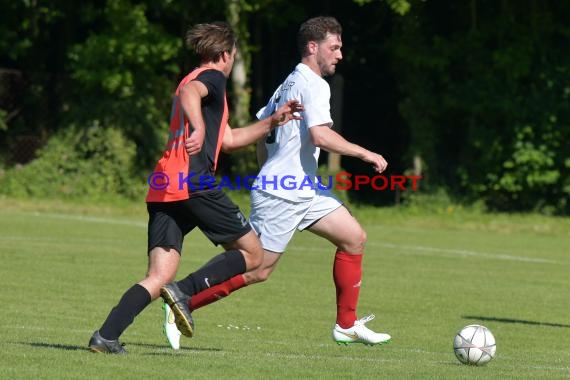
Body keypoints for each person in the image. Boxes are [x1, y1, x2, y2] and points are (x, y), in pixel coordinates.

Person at [163, 16, 391, 349]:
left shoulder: (289, 82)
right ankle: (183, 301)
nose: (340, 54)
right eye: (335, 47)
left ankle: (346, 325)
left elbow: (262, 133)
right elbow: (319, 134)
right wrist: (365, 153)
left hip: (303, 188)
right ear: (313, 47)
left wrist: (267, 172)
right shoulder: (313, 84)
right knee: (257, 269)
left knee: (354, 238)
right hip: (283, 195)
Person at [88, 21, 303, 354]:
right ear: (225, 54)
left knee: (157, 276)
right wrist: (199, 127)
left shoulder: (190, 79)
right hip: (193, 181)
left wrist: (272, 122)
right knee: (254, 253)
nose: (232, 62)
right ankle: (185, 291)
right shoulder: (210, 79)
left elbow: (228, 140)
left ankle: (106, 336)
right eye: (233, 56)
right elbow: (193, 96)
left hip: (164, 184)